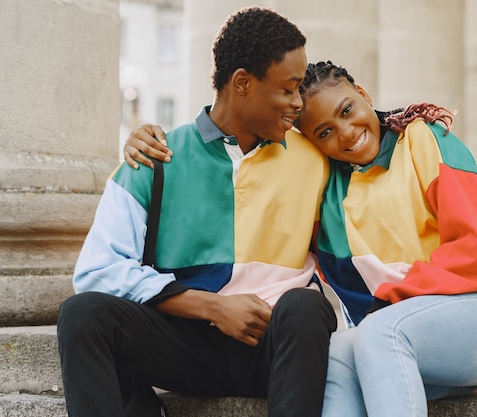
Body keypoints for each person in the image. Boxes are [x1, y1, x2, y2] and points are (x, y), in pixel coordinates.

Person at [126, 60, 477, 417]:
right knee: (337, 356)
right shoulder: (322, 188)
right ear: (309, 141)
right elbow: (240, 182)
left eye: (347, 109)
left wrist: (390, 300)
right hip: (403, 343)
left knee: (379, 333)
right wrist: (153, 139)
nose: (345, 132)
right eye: (323, 132)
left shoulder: (424, 140)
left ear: (362, 93)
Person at [57, 8, 337, 417]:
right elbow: (97, 271)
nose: (298, 103)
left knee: (307, 306)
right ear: (242, 82)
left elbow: (364, 148)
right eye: (288, 89)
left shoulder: (314, 159)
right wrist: (214, 307)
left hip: (278, 347)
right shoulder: (155, 158)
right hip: (186, 345)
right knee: (82, 315)